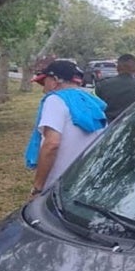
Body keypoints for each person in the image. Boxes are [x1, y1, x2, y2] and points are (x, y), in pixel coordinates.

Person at [25, 59, 106, 197]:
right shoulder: (92, 103)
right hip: (89, 182)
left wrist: (38, 186)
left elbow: (52, 144)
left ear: (55, 80)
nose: (43, 89)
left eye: (44, 82)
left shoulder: (55, 100)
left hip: (60, 186)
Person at [95, 53, 135, 122]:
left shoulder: (102, 85)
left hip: (107, 128)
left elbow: (95, 109)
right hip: (131, 127)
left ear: (117, 68)